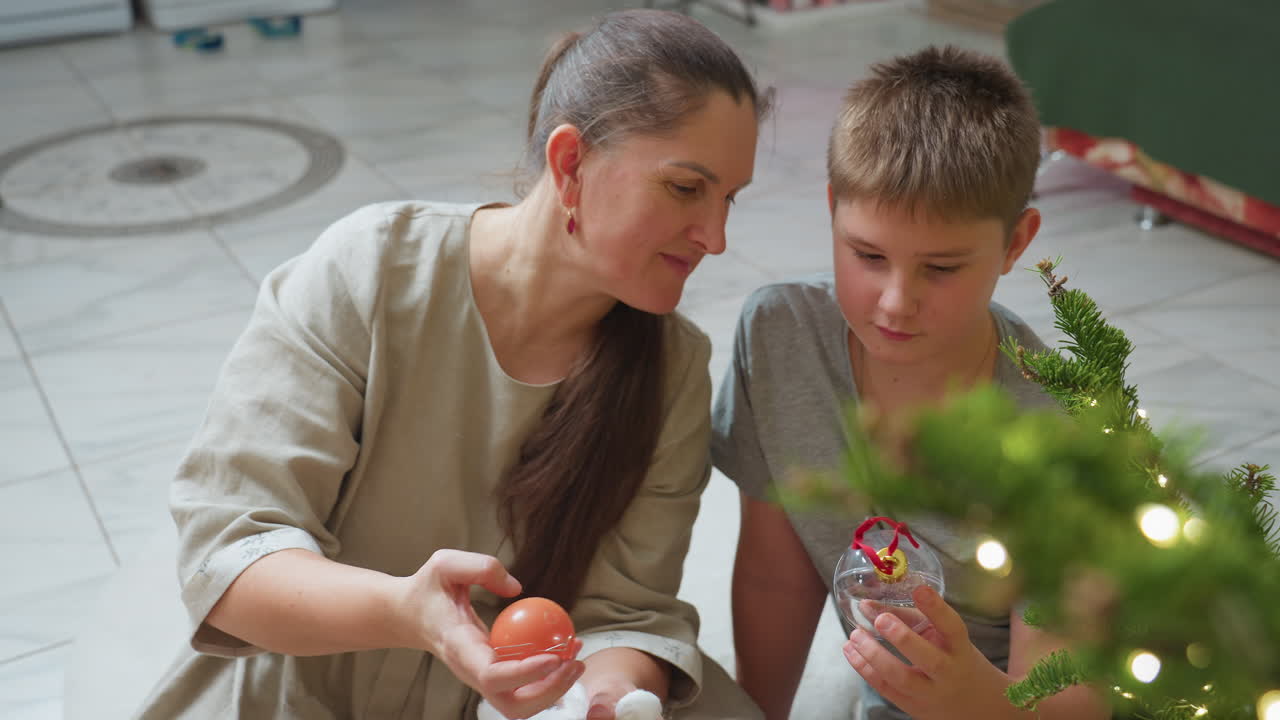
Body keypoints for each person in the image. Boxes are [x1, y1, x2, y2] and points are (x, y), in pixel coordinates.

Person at [134, 9, 770, 720]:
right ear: (570, 165)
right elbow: (232, 559)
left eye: (730, 200)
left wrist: (609, 693)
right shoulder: (368, 273)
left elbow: (631, 612)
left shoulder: (674, 369)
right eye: (686, 188)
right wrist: (406, 612)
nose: (715, 237)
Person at [711, 46, 1111, 720]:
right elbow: (775, 580)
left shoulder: (1061, 425)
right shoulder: (779, 335)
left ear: (1017, 243)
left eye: (942, 268)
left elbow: (1074, 700)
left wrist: (971, 699)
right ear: (833, 208)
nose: (896, 302)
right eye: (868, 255)